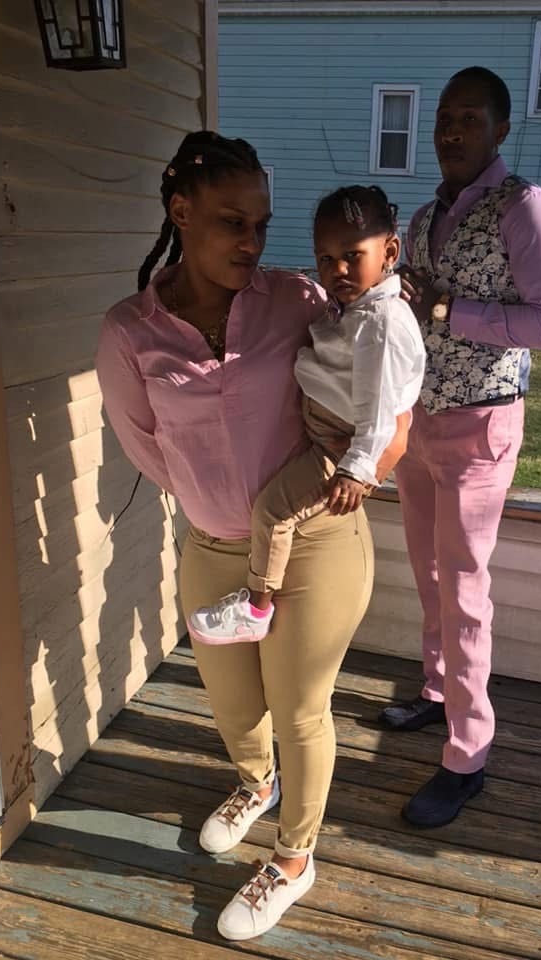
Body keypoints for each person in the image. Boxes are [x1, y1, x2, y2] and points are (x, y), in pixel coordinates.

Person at [96, 131, 410, 941]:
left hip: (315, 541)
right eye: (232, 222)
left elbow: (383, 386)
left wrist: (366, 462)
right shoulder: (130, 331)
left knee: (300, 710)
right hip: (211, 547)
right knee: (236, 707)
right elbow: (145, 447)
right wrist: (219, 498)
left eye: (262, 225)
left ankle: (294, 860)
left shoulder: (296, 300)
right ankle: (255, 782)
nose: (251, 242)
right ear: (180, 212)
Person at [378, 67, 541, 828]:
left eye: (468, 117)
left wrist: (447, 308)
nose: (450, 130)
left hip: (482, 421)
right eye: (443, 117)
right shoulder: (427, 214)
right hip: (421, 417)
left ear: (500, 128)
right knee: (428, 573)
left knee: (464, 589)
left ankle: (467, 755)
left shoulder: (527, 208)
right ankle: (437, 692)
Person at [187, 185, 425, 645]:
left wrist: (356, 470)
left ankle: (256, 607)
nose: (338, 269)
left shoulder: (381, 324)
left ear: (390, 252)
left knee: (273, 512)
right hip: (322, 429)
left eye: (352, 256)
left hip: (339, 445)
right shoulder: (357, 308)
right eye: (325, 258)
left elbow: (380, 411)